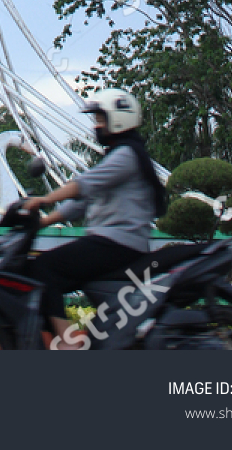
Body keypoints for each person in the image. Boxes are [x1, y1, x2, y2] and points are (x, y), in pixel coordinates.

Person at [20, 88, 168, 349]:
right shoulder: (120, 154)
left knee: (44, 268)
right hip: (110, 243)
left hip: (118, 245)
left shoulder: (127, 156)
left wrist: (45, 200)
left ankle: (66, 345)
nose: (96, 126)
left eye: (100, 119)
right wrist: (42, 222)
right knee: (43, 275)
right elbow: (81, 204)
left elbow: (84, 185)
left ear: (118, 119)